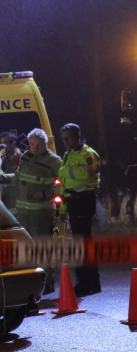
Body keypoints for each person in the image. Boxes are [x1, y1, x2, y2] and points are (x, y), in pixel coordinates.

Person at [0, 129, 60, 293]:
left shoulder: (54, 161)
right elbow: (18, 177)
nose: (33, 147)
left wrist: (46, 194)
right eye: (31, 144)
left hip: (42, 213)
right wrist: (6, 178)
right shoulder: (26, 156)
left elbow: (63, 183)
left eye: (36, 144)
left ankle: (48, 281)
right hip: (23, 213)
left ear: (44, 143)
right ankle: (31, 281)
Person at [58, 123, 101, 296]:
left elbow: (88, 173)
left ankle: (86, 283)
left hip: (83, 199)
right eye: (63, 139)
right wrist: (63, 208)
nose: (65, 141)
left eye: (68, 138)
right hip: (73, 201)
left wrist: (66, 170)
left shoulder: (88, 154)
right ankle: (91, 282)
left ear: (77, 136)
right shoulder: (68, 154)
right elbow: (64, 184)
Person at [0, 132, 21, 213]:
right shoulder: (1, 160)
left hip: (17, 201)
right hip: (5, 200)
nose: (3, 146)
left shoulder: (21, 159)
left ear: (13, 144)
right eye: (1, 144)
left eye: (5, 143)